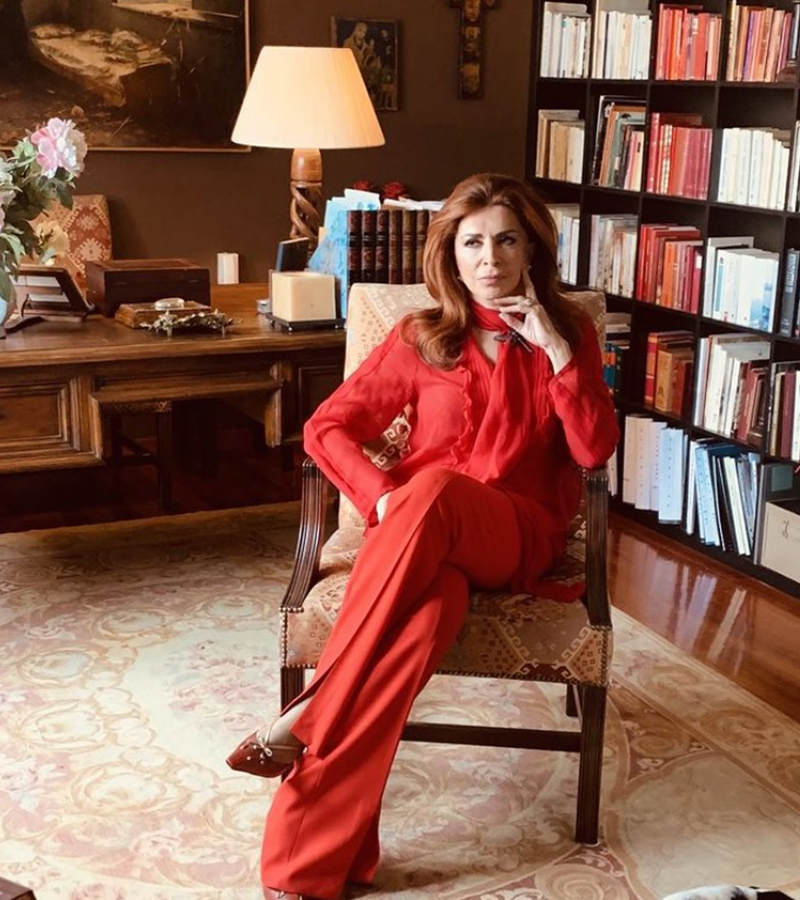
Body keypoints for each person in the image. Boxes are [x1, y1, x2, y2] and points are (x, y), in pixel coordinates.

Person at [227, 173, 620, 900]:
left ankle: (312, 707)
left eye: (506, 240)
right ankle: (303, 868)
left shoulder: (570, 332)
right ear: (451, 253)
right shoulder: (422, 336)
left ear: (532, 249)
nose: (490, 258)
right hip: (420, 543)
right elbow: (326, 428)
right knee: (418, 627)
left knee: (434, 487)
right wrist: (381, 501)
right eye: (473, 243)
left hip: (513, 534)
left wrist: (556, 351)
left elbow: (594, 449)